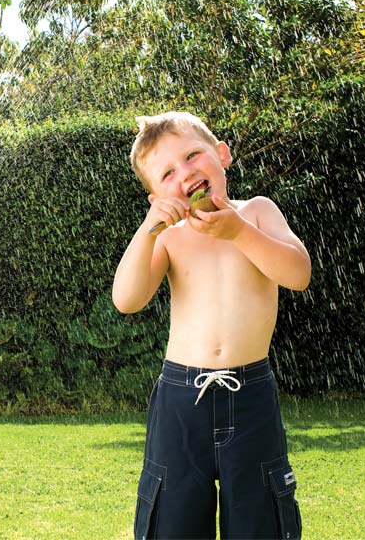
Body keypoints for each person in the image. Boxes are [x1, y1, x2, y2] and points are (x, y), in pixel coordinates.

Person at [112, 112, 310, 540]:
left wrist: (239, 232)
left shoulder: (256, 214)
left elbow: (298, 273)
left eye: (192, 155)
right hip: (182, 399)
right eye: (167, 173)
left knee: (261, 520)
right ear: (157, 196)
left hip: (250, 395)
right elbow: (127, 300)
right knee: (173, 520)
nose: (184, 173)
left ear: (221, 154)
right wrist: (148, 229)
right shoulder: (167, 235)